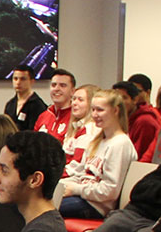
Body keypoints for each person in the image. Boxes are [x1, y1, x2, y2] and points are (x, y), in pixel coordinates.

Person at [57, 88, 136, 220]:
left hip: (96, 206)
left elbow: (110, 191)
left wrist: (76, 189)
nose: (94, 115)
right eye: (93, 110)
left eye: (100, 110)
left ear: (116, 111)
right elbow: (81, 175)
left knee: (41, 209)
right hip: (82, 196)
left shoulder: (120, 144)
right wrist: (59, 185)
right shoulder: (97, 141)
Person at [120, 76, 161, 157]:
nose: (120, 102)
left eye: (138, 91)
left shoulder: (145, 120)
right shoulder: (129, 116)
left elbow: (139, 155)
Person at [30, 69, 77, 140]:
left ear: (72, 91)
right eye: (53, 85)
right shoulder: (43, 116)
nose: (57, 88)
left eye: (62, 85)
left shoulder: (76, 118)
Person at [61, 84, 99, 164]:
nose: (74, 103)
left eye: (80, 100)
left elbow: (76, 166)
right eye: (74, 99)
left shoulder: (90, 129)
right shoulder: (75, 127)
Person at [2, 65, 45, 131]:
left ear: (32, 81)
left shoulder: (38, 105)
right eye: (15, 79)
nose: (18, 82)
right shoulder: (10, 104)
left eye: (23, 79)